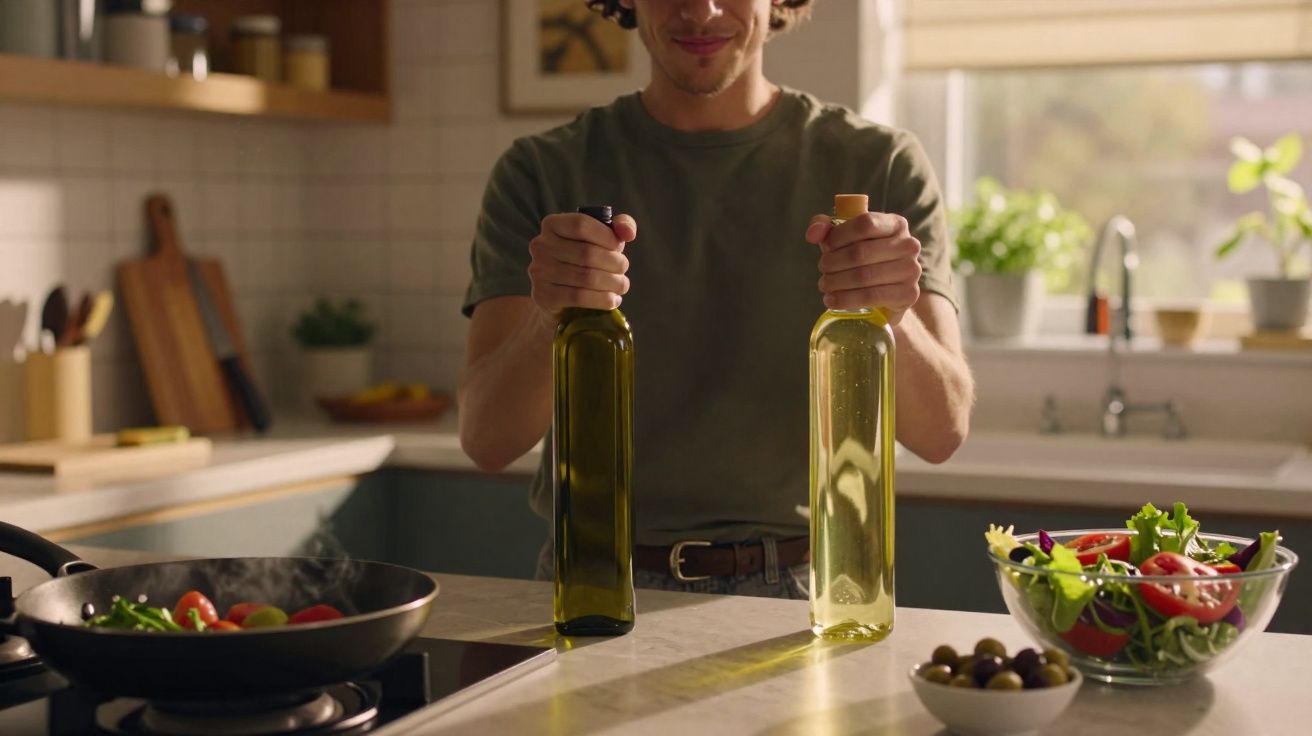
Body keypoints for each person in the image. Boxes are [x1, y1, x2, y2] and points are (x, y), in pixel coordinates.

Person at [458, 0, 975, 599]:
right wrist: (551, 314)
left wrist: (893, 316)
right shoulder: (541, 171)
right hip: (596, 582)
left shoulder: (880, 165)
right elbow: (487, 441)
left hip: (813, 588)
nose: (700, 11)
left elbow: (941, 434)